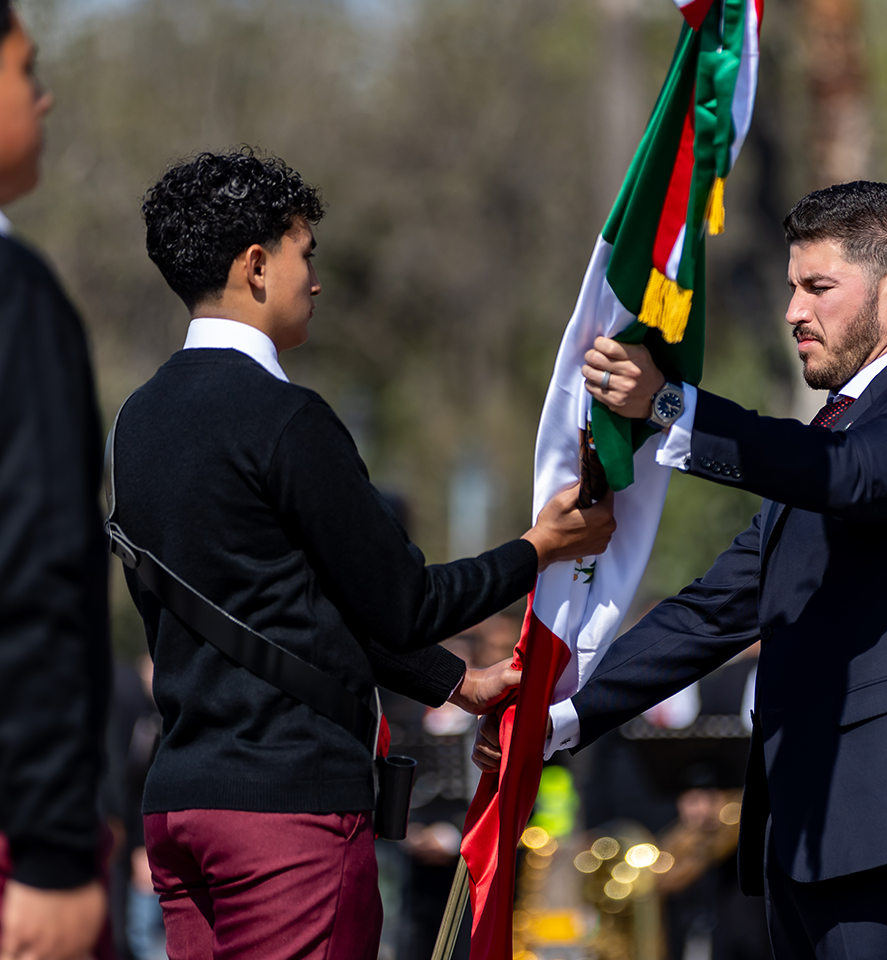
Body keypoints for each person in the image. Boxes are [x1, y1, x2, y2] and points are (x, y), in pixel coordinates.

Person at [479, 181, 887, 960]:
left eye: (818, 287)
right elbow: (708, 612)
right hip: (798, 840)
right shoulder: (824, 444)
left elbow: (849, 474)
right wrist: (560, 716)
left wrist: (671, 408)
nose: (794, 310)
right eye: (793, 287)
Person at [112, 148, 615, 960]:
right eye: (305, 254)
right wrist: (540, 547)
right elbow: (405, 601)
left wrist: (454, 680)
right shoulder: (285, 418)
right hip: (286, 812)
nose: (315, 279)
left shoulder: (139, 419)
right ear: (255, 265)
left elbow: (285, 601)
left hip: (182, 804)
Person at [0, 4, 113, 959]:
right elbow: (35, 572)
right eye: (24, 66)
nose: (44, 93)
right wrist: (50, 854)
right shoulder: (15, 298)